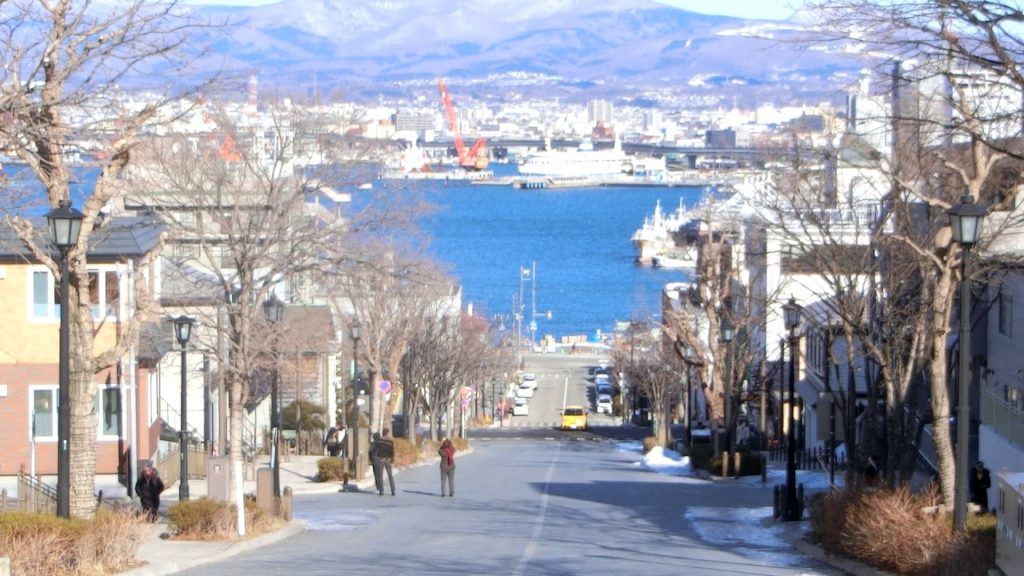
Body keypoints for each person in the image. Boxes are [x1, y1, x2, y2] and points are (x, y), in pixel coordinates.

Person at [371, 428, 396, 496]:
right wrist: (392, 459)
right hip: (387, 459)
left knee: (380, 475)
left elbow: (374, 450)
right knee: (390, 475)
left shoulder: (379, 441)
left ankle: (381, 490)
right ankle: (393, 491)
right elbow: (392, 451)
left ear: (382, 433)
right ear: (387, 433)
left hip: (380, 459)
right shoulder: (390, 442)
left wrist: (375, 458)